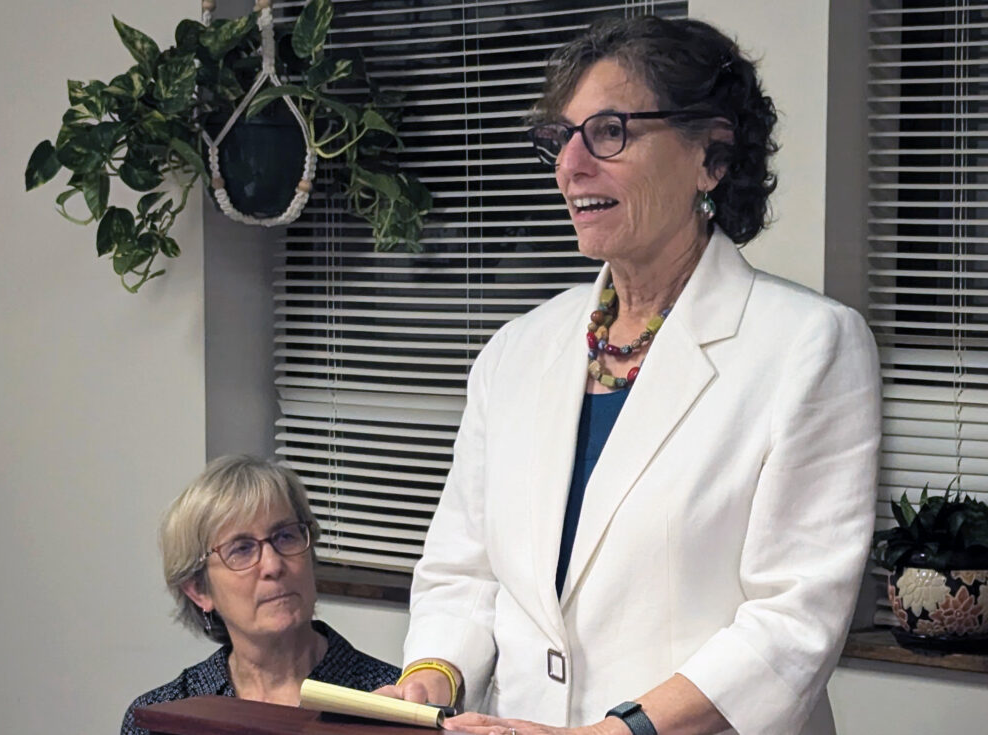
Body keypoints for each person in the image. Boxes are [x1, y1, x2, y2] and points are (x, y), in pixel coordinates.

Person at [378, 15, 880, 735]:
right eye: (560, 138)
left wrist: (616, 733)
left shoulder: (809, 346)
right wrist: (433, 675)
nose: (570, 165)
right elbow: (465, 572)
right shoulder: (516, 351)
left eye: (608, 132)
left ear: (711, 155)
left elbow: (791, 621)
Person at [122, 455, 400, 735]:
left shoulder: (395, 701)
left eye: (286, 536)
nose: (273, 565)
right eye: (241, 549)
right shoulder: (158, 719)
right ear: (199, 590)